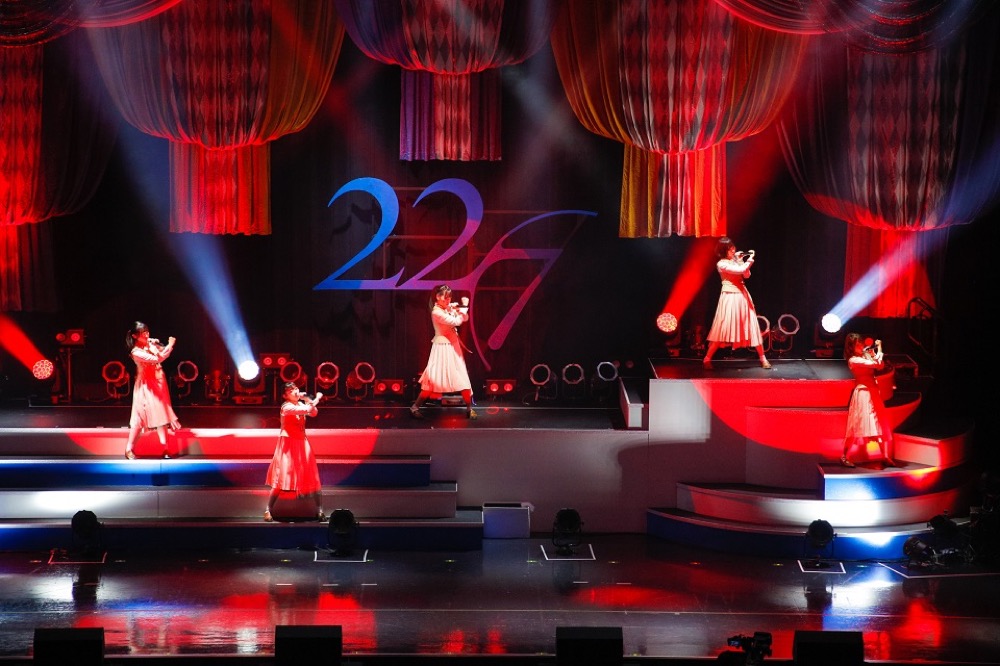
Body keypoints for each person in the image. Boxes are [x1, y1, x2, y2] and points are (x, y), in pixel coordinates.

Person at [410, 284, 477, 420]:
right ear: (438, 297)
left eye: (449, 297)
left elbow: (464, 318)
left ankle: (469, 408)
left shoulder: (446, 308)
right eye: (445, 297)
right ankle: (415, 407)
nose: (448, 300)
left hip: (453, 347)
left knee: (462, 377)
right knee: (433, 379)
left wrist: (459, 309)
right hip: (441, 348)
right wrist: (463, 307)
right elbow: (457, 321)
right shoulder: (437, 312)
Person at [702, 237, 771, 369]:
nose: (733, 250)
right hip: (730, 297)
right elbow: (739, 271)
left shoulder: (734, 262)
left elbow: (746, 275)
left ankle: (763, 358)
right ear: (724, 251)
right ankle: (707, 359)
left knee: (752, 325)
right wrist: (750, 259)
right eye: (730, 249)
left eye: (733, 247)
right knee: (723, 328)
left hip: (742, 296)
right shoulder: (721, 264)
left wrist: (740, 261)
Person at [264, 382, 325, 522]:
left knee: (311, 475)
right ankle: (268, 509)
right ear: (285, 395)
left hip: (302, 444)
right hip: (288, 445)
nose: (296, 391)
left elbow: (313, 412)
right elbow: (307, 410)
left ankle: (320, 510)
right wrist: (317, 398)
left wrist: (308, 399)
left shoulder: (299, 404)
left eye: (296, 388)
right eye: (291, 390)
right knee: (281, 476)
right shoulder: (286, 407)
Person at [124, 321, 181, 460]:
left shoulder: (149, 344)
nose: (147, 334)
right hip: (145, 385)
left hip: (159, 383)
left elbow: (160, 351)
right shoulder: (136, 352)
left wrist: (157, 344)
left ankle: (165, 448)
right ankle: (129, 448)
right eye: (143, 333)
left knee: (161, 414)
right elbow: (158, 358)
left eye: (147, 331)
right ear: (135, 336)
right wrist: (170, 345)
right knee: (139, 416)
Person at [841, 333, 898, 468]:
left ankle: (884, 456)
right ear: (851, 347)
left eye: (861, 343)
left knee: (878, 424)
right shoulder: (854, 360)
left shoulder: (863, 356)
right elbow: (876, 363)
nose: (861, 346)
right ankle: (844, 455)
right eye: (858, 344)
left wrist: (872, 354)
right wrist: (880, 348)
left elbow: (880, 365)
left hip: (873, 393)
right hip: (863, 394)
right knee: (857, 425)